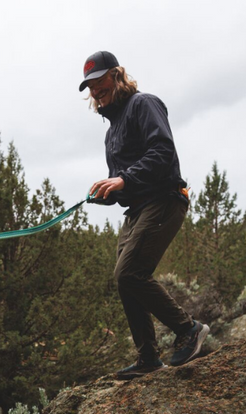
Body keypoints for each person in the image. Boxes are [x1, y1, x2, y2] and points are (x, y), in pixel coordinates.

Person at [79, 51, 209, 380]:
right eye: (89, 87)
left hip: (165, 199)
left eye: (99, 81)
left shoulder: (144, 104)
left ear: (117, 76)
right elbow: (124, 185)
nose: (95, 90)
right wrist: (106, 195)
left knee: (130, 273)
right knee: (125, 281)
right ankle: (148, 357)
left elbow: (163, 151)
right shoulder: (112, 132)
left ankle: (189, 329)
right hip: (137, 209)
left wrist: (124, 179)